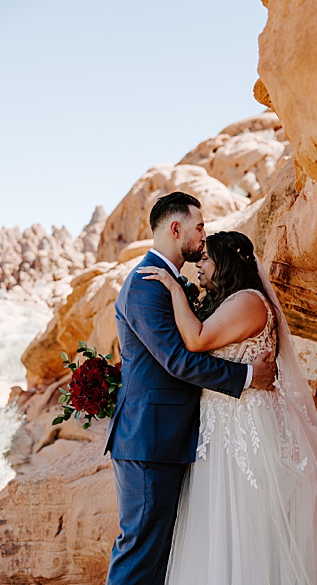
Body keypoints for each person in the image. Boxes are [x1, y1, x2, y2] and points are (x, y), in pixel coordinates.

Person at [138, 230, 317, 584]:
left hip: (247, 428)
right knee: (220, 526)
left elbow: (197, 339)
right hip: (222, 427)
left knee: (249, 524)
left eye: (207, 258)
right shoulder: (229, 301)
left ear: (226, 263)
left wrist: (172, 289)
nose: (200, 265)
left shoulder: (248, 301)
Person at [105, 192, 278, 585]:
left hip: (174, 438)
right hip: (150, 439)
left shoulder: (171, 283)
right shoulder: (147, 284)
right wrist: (249, 377)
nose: (204, 235)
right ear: (175, 228)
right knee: (139, 552)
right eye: (199, 227)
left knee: (162, 556)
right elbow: (178, 361)